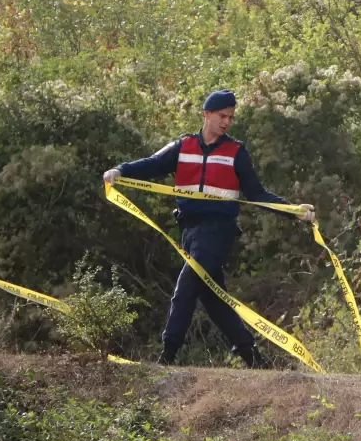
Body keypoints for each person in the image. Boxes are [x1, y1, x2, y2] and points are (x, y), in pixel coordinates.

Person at [103, 89, 312, 368]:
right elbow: (153, 164)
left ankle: (167, 356)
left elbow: (257, 194)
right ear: (206, 114)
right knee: (213, 299)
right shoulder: (183, 145)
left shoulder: (236, 151)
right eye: (221, 116)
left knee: (186, 285)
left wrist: (293, 211)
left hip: (218, 231)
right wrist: (120, 170)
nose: (226, 122)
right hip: (189, 230)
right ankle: (254, 359)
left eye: (230, 117)